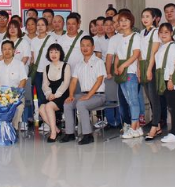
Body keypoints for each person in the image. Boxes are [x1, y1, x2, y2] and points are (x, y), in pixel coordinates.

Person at [60, 36, 106, 145]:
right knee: (67, 103)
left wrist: (89, 96)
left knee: (81, 104)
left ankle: (88, 135)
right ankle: (70, 133)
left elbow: (99, 81)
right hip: (83, 94)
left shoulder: (98, 62)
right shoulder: (79, 64)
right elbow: (73, 81)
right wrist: (71, 95)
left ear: (93, 47)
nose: (85, 48)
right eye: (82, 46)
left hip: (98, 96)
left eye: (88, 45)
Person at [113, 10, 142, 139]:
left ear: (131, 22)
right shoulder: (120, 38)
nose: (123, 23)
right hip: (121, 73)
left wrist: (123, 66)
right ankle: (137, 127)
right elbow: (117, 56)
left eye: (126, 20)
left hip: (130, 72)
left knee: (133, 100)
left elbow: (136, 54)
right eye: (121, 21)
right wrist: (116, 67)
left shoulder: (135, 36)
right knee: (128, 100)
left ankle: (134, 127)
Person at [153, 23, 175, 143]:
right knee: (171, 106)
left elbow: (174, 64)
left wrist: (171, 80)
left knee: (174, 107)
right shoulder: (162, 47)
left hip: (170, 80)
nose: (163, 34)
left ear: (171, 33)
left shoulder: (173, 47)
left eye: (166, 32)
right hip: (163, 79)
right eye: (161, 32)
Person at [1, 20, 32, 129]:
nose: (12, 29)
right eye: (10, 27)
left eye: (15, 27)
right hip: (6, 73)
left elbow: (25, 57)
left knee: (22, 96)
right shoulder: (4, 41)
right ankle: (9, 121)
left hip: (21, 72)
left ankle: (23, 121)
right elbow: (0, 56)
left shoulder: (24, 42)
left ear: (19, 29)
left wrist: (16, 68)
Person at [38, 43, 71, 142]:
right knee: (41, 109)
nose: (53, 54)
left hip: (62, 94)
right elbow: (45, 84)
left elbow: (66, 83)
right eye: (51, 52)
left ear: (60, 53)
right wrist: (48, 94)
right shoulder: (47, 67)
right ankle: (56, 129)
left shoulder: (66, 66)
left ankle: (53, 133)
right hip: (51, 94)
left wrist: (56, 95)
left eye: (56, 52)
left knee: (48, 106)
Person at [0, 40, 27, 130]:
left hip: (16, 94)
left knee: (20, 107)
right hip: (2, 95)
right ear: (2, 51)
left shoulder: (19, 64)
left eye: (9, 49)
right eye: (4, 49)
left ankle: (13, 127)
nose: (7, 51)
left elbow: (23, 80)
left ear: (13, 51)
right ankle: (2, 127)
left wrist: (16, 94)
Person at [138, 8, 161, 141]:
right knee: (149, 97)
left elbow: (153, 52)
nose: (145, 19)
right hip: (143, 65)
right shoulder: (142, 33)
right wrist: (139, 69)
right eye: (143, 16)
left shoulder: (156, 32)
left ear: (154, 18)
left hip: (152, 65)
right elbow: (139, 52)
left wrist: (149, 69)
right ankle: (157, 125)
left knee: (154, 97)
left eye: (148, 16)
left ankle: (154, 126)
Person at [30, 17, 53, 131]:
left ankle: (50, 122)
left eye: (42, 25)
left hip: (49, 72)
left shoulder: (51, 39)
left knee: (48, 96)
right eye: (38, 25)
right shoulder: (34, 40)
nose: (40, 27)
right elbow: (33, 57)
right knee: (40, 97)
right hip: (38, 72)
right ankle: (44, 121)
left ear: (47, 27)